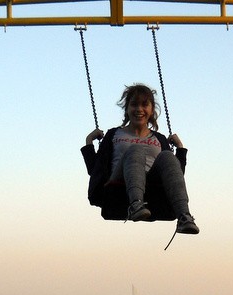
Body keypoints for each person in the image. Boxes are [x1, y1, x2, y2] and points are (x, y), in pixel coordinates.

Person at [81, 83, 199, 234]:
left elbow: (174, 176)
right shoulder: (114, 134)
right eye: (134, 104)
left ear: (151, 110)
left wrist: (180, 150)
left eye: (144, 105)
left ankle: (184, 216)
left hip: (153, 186)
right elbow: (95, 170)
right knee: (136, 149)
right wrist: (89, 143)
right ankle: (135, 204)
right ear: (127, 109)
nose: (139, 109)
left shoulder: (160, 139)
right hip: (119, 184)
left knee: (168, 156)